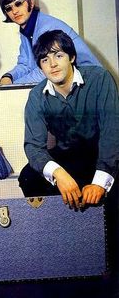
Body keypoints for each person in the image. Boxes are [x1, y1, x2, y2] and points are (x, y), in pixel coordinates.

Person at [19, 30, 119, 209]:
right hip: (71, 157)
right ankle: (63, 228)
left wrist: (99, 182)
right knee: (28, 176)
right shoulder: (36, 96)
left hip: (103, 154)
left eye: (58, 55)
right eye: (45, 60)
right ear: (41, 67)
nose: (52, 64)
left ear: (71, 57)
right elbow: (33, 146)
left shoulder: (100, 78)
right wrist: (58, 173)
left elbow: (112, 133)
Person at [0, 0, 101, 85]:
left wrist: (12, 86)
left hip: (90, 82)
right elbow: (25, 64)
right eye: (8, 8)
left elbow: (47, 71)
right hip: (69, 83)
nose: (14, 11)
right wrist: (9, 77)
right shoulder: (26, 30)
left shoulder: (47, 28)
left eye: (18, 4)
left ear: (31, 2)